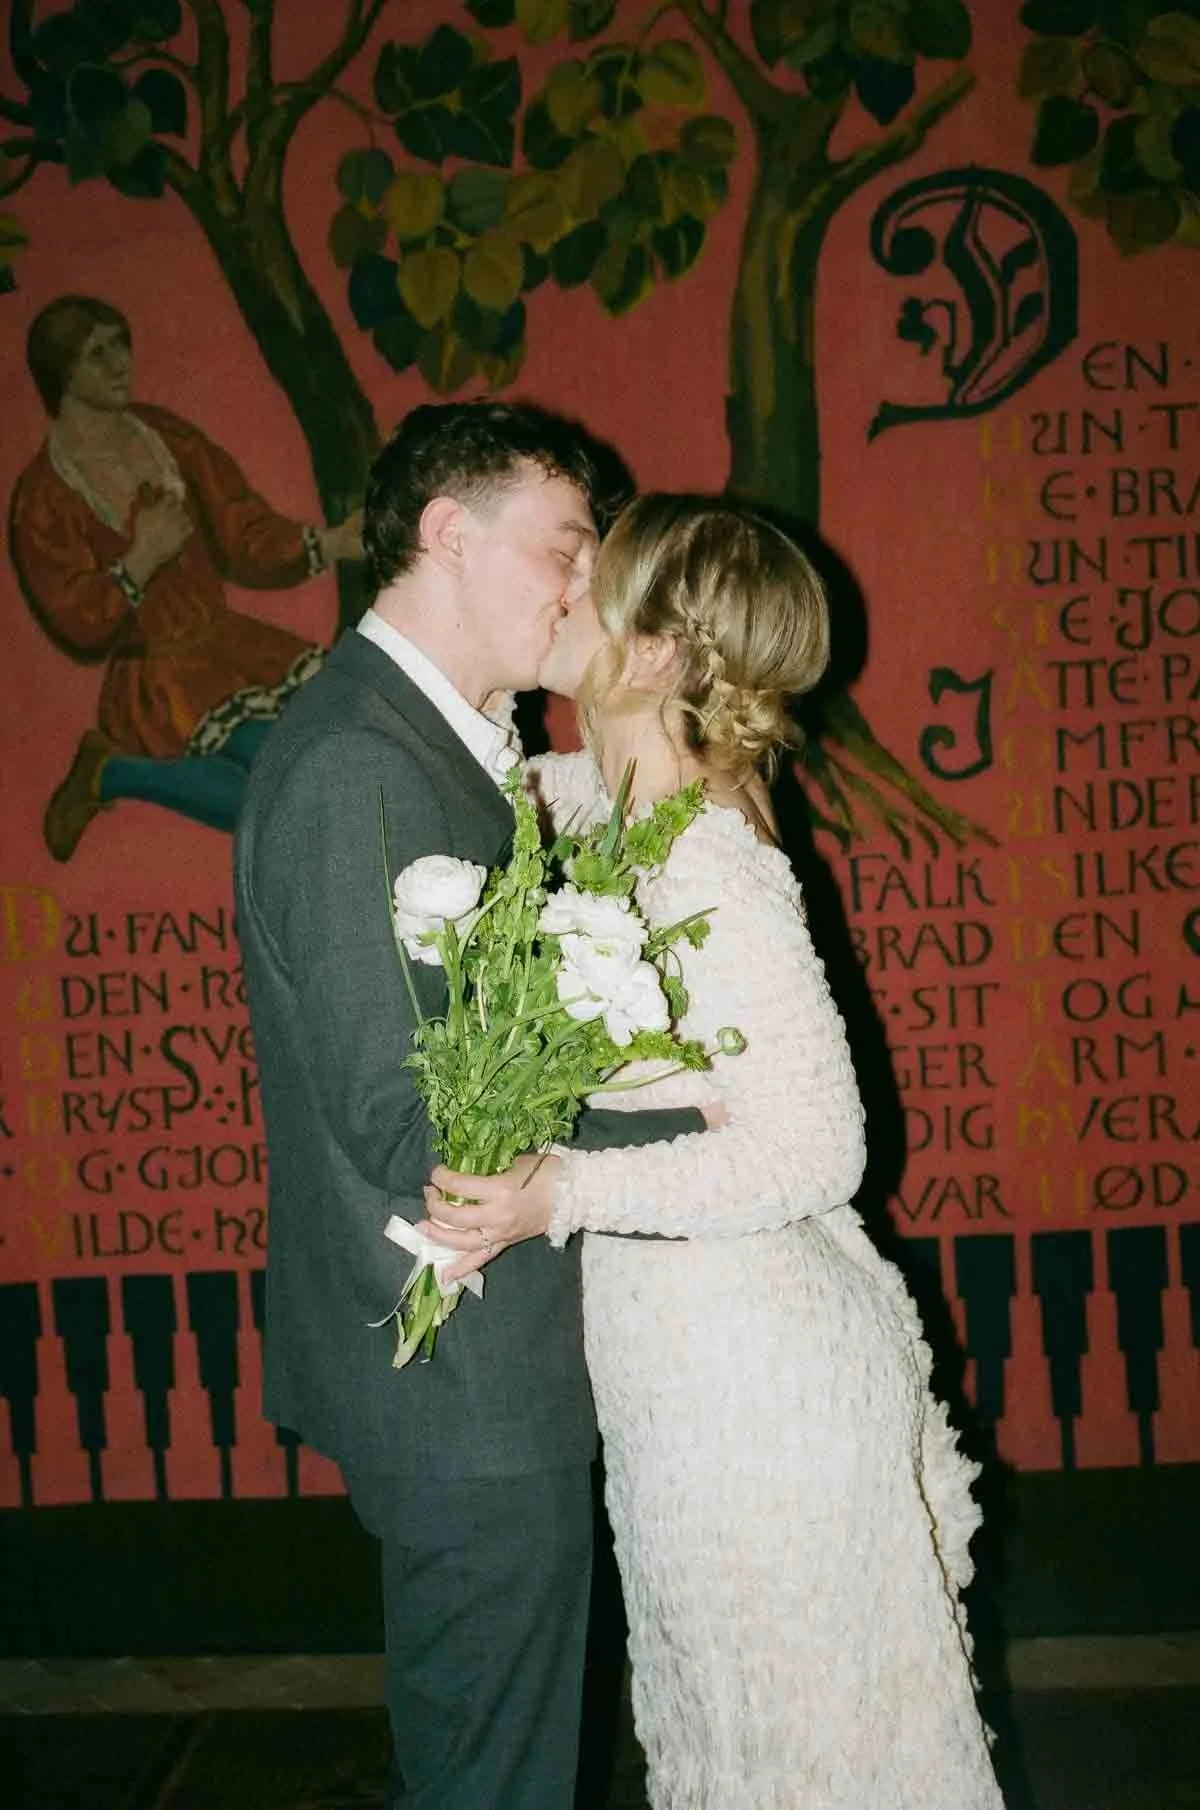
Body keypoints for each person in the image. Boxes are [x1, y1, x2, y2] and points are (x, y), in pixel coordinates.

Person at [420, 494, 1005, 1810]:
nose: (565, 586)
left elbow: (822, 1143)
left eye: (591, 576)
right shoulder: (619, 801)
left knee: (805, 1760)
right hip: (690, 1366)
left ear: (652, 657)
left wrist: (561, 1189)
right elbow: (488, 786)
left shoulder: (711, 868)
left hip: (754, 1382)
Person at [232, 407, 708, 1810]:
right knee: (492, 1776)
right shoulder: (360, 765)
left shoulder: (438, 744)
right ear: (449, 532)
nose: (583, 583)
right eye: (565, 546)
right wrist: (691, 1134)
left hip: (478, 1362)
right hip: (461, 1381)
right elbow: (415, 1125)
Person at [10, 294, 363, 860]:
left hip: (232, 646)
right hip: (157, 681)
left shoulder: (163, 436)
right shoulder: (45, 497)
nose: (121, 361)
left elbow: (237, 529)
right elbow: (74, 620)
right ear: (62, 372)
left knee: (324, 760)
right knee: (280, 798)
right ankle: (114, 770)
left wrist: (328, 543)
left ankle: (111, 771)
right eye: (98, 352)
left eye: (121, 343)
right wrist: (140, 560)